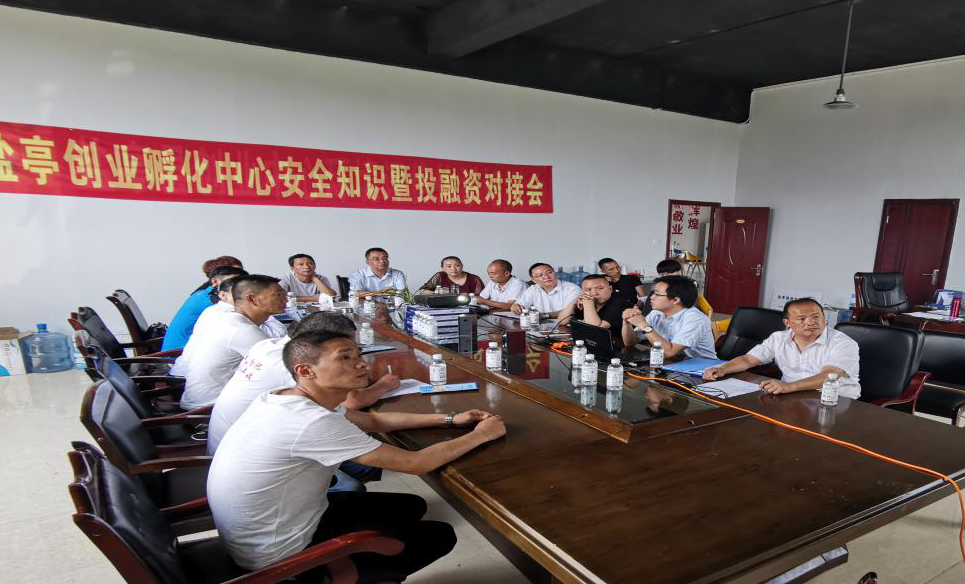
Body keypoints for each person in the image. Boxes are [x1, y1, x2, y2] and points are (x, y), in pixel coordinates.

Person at [207, 331, 506, 581]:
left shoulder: (287, 397)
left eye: (358, 355)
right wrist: (481, 434)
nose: (361, 364)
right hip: (280, 556)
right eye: (345, 358)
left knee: (411, 506)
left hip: (273, 525)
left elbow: (374, 421)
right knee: (439, 535)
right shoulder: (309, 421)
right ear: (306, 371)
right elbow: (417, 463)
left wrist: (451, 419)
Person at [207, 312, 400, 455]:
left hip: (238, 443)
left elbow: (367, 419)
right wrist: (383, 385)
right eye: (345, 352)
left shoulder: (269, 346)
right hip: (249, 450)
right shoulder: (295, 368)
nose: (358, 358)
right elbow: (350, 403)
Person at [703, 298, 861, 398]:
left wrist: (789, 386)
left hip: (834, 401)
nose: (811, 322)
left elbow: (829, 376)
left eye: (816, 316)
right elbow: (748, 359)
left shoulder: (843, 343)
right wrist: (723, 369)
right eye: (802, 319)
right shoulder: (778, 338)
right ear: (787, 323)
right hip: (792, 396)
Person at [180, 275, 287, 410]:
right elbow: (285, 366)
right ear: (251, 299)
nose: (285, 299)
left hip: (205, 401)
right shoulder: (241, 330)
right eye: (278, 295)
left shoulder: (231, 320)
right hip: (208, 407)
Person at [621, 275, 717, 359]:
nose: (651, 297)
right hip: (673, 364)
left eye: (657, 294)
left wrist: (643, 325)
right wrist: (627, 323)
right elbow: (630, 343)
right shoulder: (656, 313)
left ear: (675, 300)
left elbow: (669, 352)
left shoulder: (695, 319)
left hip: (703, 369)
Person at [162, 265, 247, 351]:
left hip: (176, 349)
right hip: (178, 352)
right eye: (231, 281)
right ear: (215, 281)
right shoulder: (213, 300)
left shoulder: (202, 293)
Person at [557, 275, 631, 340]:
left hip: (620, 345)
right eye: (588, 290)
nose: (594, 293)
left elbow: (595, 330)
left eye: (600, 288)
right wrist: (574, 301)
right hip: (595, 342)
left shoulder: (620, 302)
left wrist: (588, 303)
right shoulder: (587, 300)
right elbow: (561, 322)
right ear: (582, 292)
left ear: (610, 289)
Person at [642, 259, 713, 317]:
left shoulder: (687, 284)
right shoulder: (666, 283)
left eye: (662, 274)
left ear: (666, 273)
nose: (662, 277)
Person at [510, 263, 581, 319]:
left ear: (555, 273)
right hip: (540, 325)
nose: (546, 277)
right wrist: (515, 306)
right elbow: (519, 304)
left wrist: (544, 315)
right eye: (540, 275)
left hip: (565, 326)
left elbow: (570, 312)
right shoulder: (533, 289)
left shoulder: (572, 289)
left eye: (549, 273)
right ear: (534, 280)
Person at [419, 256, 485, 294]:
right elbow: (422, 291)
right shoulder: (439, 276)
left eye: (457, 265)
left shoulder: (474, 278)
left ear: (462, 266)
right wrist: (439, 292)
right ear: (442, 268)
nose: (453, 269)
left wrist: (450, 292)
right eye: (449, 266)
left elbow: (482, 298)